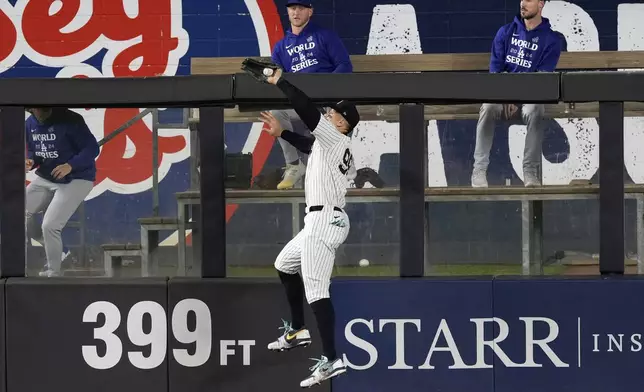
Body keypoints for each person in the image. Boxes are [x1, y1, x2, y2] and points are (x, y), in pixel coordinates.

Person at [258, 67, 359, 388]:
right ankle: (298, 329)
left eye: (333, 113)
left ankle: (331, 358)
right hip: (322, 219)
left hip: (324, 219)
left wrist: (280, 82)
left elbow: (304, 108)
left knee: (317, 290)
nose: (328, 115)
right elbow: (307, 143)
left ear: (342, 122)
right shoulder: (332, 146)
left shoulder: (335, 137)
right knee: (285, 265)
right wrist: (282, 134)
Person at [471, 0, 564, 188]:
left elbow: (541, 80)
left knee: (536, 110)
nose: (523, 3)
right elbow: (495, 73)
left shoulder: (552, 39)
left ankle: (530, 172)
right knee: (487, 107)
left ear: (541, 4)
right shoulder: (505, 32)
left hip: (529, 99)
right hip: (502, 98)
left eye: (529, 0)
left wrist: (516, 97)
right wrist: (506, 97)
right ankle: (479, 170)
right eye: (522, 0)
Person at [270, 0, 353, 190]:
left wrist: (326, 89)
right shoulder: (280, 47)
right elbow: (277, 79)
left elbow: (345, 65)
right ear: (288, 12)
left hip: (327, 103)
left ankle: (346, 170)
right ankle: (293, 165)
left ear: (310, 11)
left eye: (301, 8)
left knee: (340, 117)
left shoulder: (325, 36)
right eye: (292, 8)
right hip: (300, 104)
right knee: (276, 112)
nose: (296, 12)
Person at [25, 108, 99, 277]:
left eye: (46, 108)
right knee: (17, 212)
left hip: (78, 178)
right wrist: (31, 160)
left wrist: (71, 165)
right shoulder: (29, 124)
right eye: (38, 109)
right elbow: (34, 151)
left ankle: (54, 273)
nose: (42, 112)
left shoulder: (71, 120)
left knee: (50, 225)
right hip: (47, 177)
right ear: (31, 109)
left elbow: (92, 149)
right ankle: (60, 251)